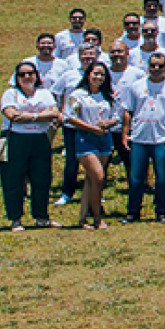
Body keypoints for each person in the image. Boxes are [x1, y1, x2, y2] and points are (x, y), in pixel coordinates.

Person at [0, 61, 61, 231]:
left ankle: (41, 217)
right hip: (15, 139)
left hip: (39, 139)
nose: (27, 77)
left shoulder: (44, 93)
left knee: (42, 179)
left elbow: (54, 113)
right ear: (16, 78)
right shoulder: (10, 94)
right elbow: (12, 115)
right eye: (22, 74)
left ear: (36, 75)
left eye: (30, 73)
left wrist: (27, 116)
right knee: (13, 180)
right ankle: (15, 219)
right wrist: (40, 115)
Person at [121, 50, 165, 223]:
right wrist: (126, 134)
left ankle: (161, 211)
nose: (156, 68)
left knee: (161, 177)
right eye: (152, 65)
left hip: (162, 138)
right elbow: (128, 111)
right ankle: (133, 212)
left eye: (160, 66)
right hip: (139, 137)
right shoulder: (137, 85)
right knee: (135, 177)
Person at [63, 61, 120, 230]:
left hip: (104, 137)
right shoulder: (78, 94)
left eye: (102, 74)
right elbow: (70, 117)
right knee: (99, 177)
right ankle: (97, 217)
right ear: (88, 75)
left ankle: (82, 218)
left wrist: (108, 123)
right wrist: (92, 128)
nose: (99, 77)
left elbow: (117, 115)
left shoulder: (108, 95)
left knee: (91, 180)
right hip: (85, 138)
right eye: (95, 74)